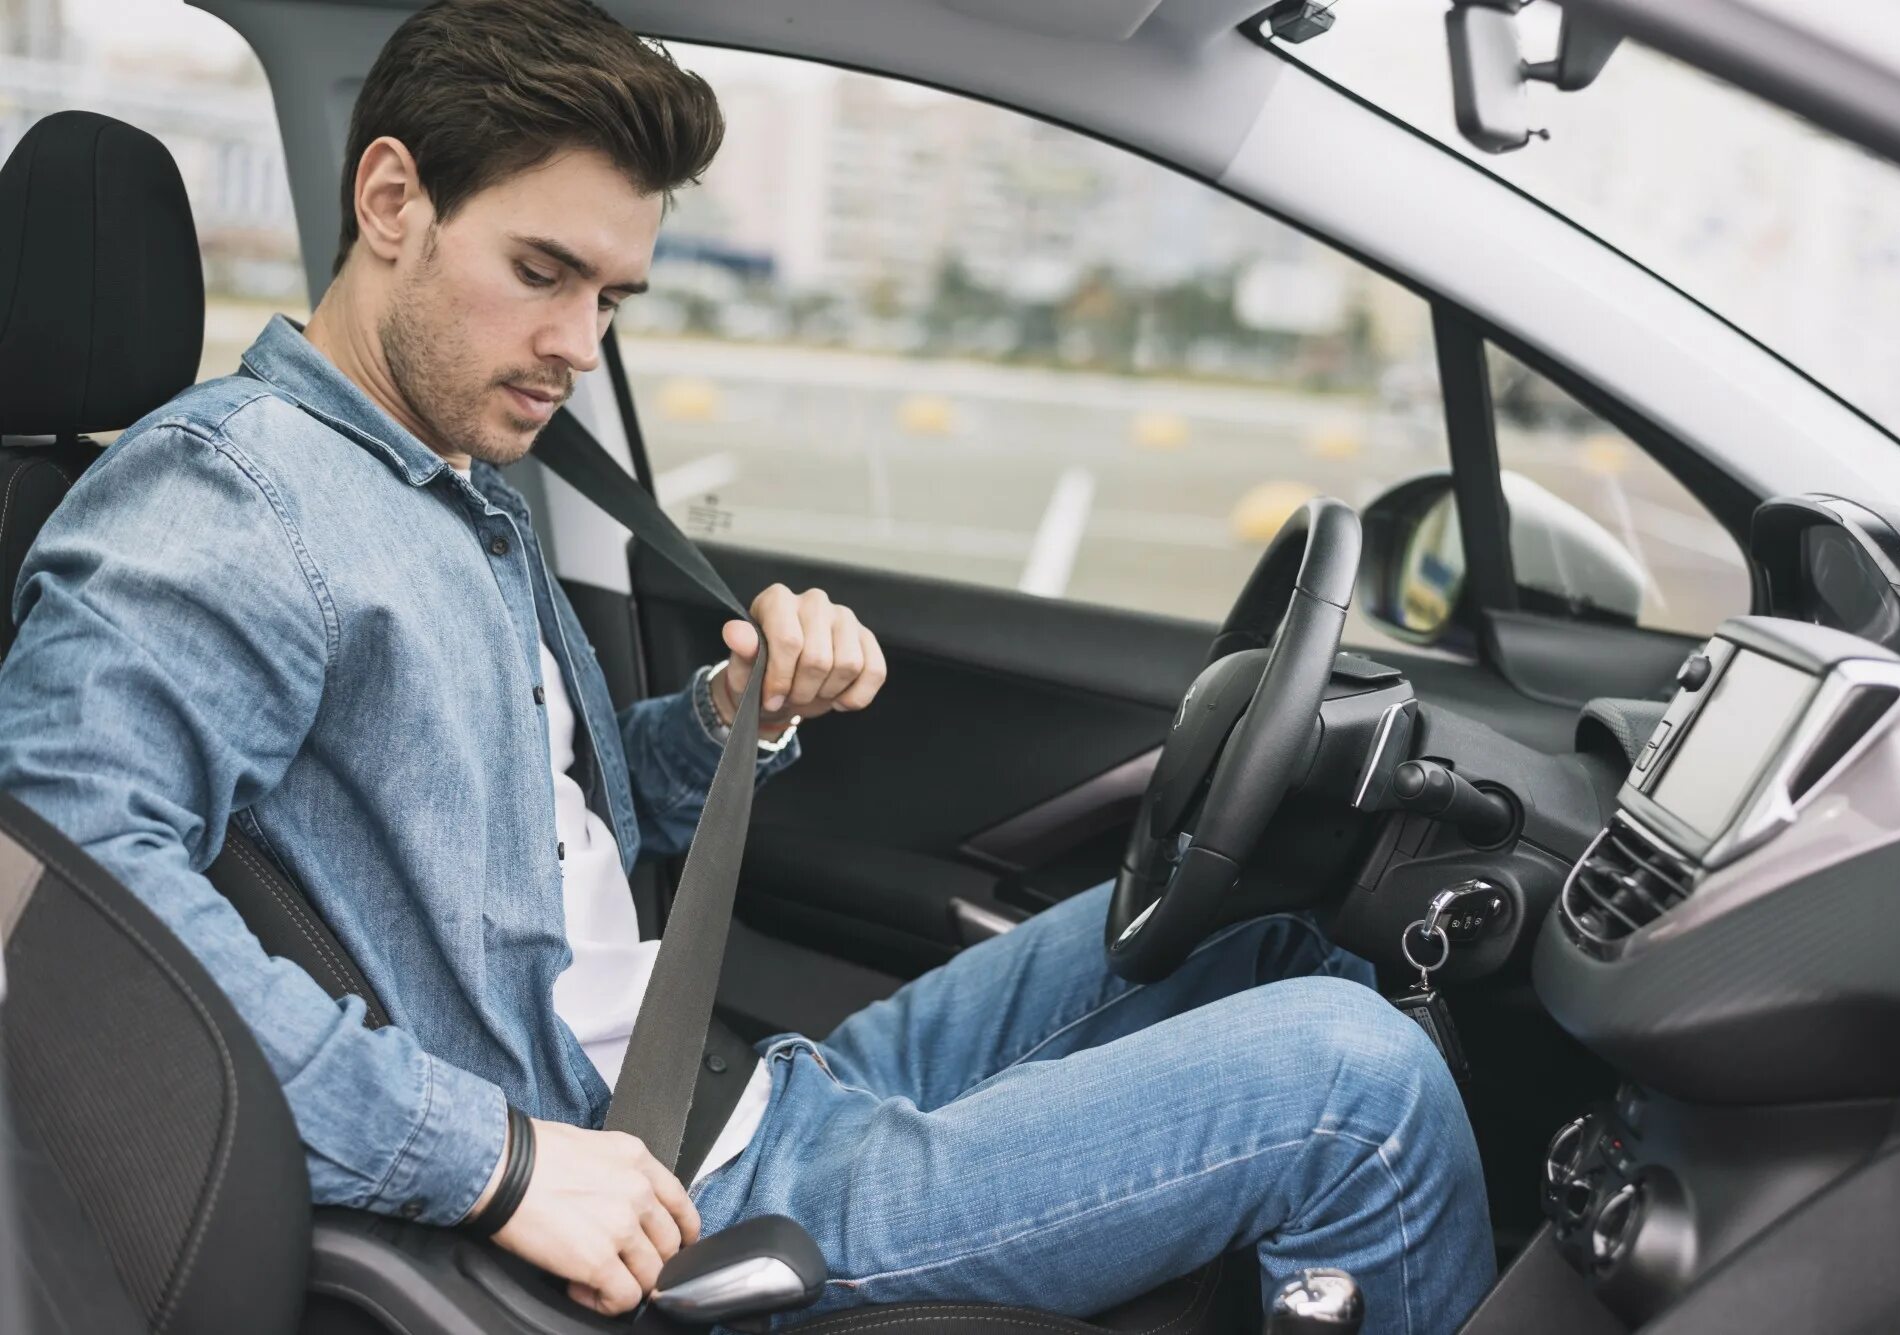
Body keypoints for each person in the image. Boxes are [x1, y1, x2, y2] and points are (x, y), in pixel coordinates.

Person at [0, 0, 1492, 1329]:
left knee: (1271, 948)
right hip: (664, 1198)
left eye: (613, 300)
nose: (580, 342)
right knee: (1358, 1087)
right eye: (543, 272)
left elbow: (547, 836)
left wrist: (731, 716)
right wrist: (499, 1164)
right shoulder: (229, 499)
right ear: (392, 198)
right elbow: (63, 910)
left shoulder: (439, 484)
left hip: (727, 1084)